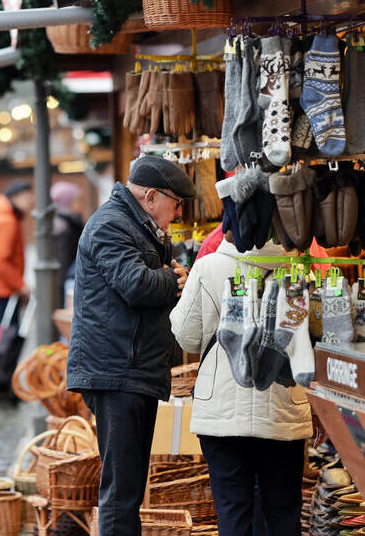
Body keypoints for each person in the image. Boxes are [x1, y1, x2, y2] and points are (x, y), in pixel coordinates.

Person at [67, 155, 196, 536]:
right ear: (152, 196)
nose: (175, 215)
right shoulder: (110, 224)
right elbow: (135, 284)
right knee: (121, 492)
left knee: (129, 490)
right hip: (115, 373)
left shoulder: (138, 225)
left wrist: (168, 275)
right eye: (175, 205)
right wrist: (173, 280)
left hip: (133, 370)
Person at [169, 236, 312, 536]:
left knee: (233, 513)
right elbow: (314, 338)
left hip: (221, 413)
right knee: (284, 513)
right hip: (283, 410)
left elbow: (186, 335)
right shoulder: (299, 271)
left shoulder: (207, 268)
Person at [0, 180, 33, 324]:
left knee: (0, 336)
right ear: (14, 197)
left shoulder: (1, 217)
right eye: (27, 196)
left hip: (3, 289)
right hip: (5, 290)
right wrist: (20, 285)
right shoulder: (6, 221)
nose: (31, 201)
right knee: (4, 339)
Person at [51, 181, 87, 282]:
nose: (81, 204)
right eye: (78, 200)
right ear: (67, 202)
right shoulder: (65, 226)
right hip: (68, 280)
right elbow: (63, 262)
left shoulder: (71, 222)